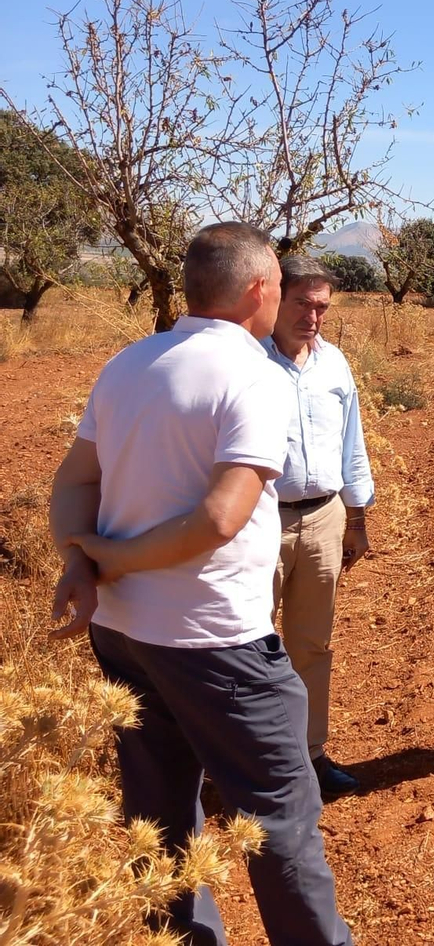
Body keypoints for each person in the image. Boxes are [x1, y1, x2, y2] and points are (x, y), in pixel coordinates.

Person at [48, 222, 352, 946]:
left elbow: (74, 479)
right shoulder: (254, 375)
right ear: (258, 289)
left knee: (156, 808)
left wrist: (80, 562)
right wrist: (106, 561)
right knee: (280, 817)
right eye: (281, 283)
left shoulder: (129, 364)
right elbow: (219, 518)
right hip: (217, 642)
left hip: (122, 634)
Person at [262, 254, 376, 799]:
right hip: (257, 521)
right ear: (274, 297)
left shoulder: (335, 364)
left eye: (322, 307)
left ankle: (310, 757)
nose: (313, 316)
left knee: (313, 644)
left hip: (325, 517)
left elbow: (352, 446)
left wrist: (357, 518)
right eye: (302, 303)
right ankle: (245, 760)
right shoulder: (248, 362)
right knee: (250, 645)